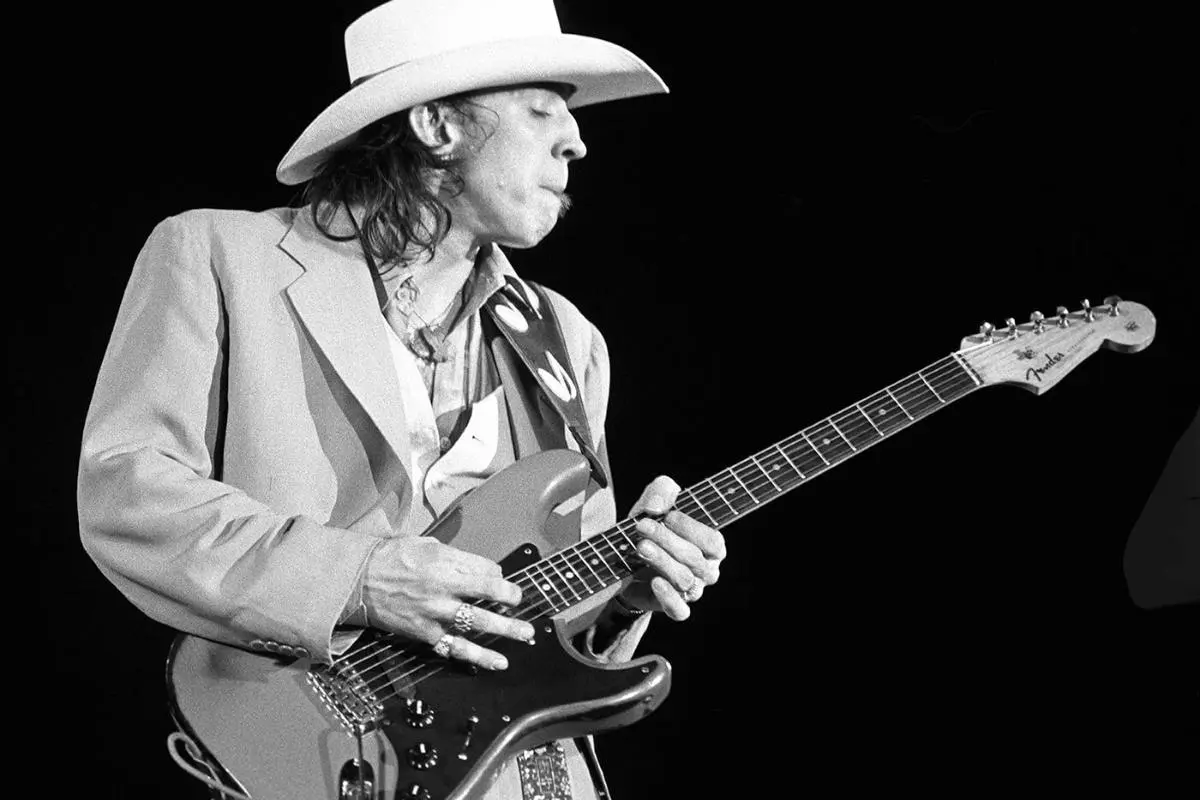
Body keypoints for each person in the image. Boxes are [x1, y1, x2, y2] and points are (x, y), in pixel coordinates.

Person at [76, 1, 725, 798]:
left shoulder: (566, 337)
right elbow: (127, 492)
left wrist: (626, 592)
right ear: (436, 125)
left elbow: (556, 613)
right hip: (314, 751)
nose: (577, 139)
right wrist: (361, 577)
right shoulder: (218, 256)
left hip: (525, 776)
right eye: (541, 108)